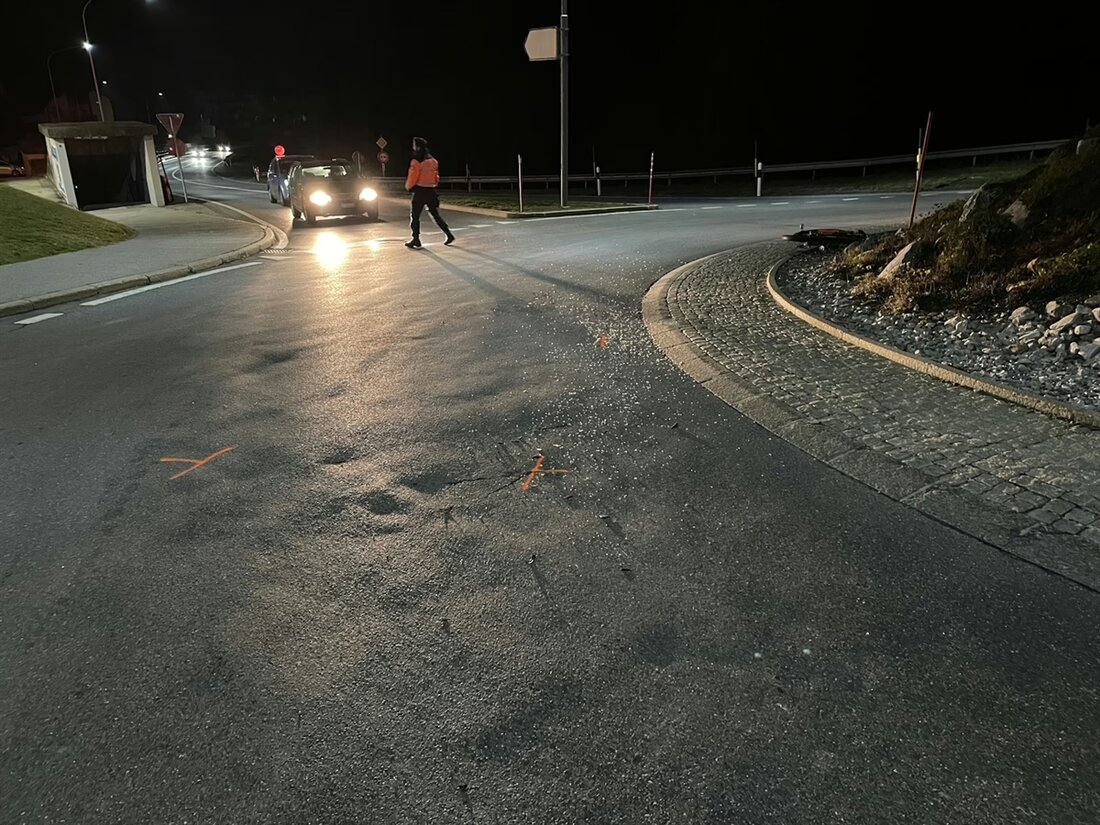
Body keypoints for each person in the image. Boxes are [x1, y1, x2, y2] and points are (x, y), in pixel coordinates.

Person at [404, 136, 455, 248]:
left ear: (417, 147)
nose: (412, 147)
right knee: (435, 214)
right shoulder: (433, 160)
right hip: (431, 190)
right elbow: (436, 176)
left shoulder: (416, 161)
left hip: (420, 191)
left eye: (413, 145)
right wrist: (433, 184)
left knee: (415, 216)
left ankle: (416, 239)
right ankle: (449, 234)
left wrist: (408, 187)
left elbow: (413, 177)